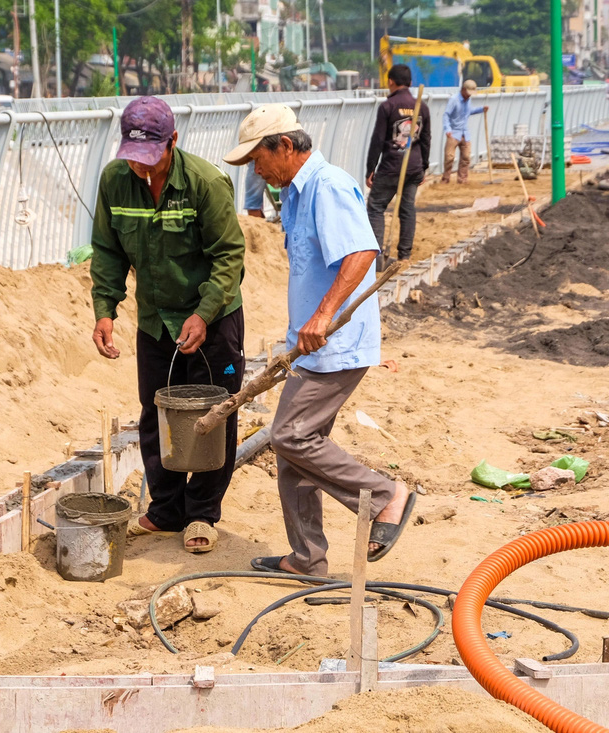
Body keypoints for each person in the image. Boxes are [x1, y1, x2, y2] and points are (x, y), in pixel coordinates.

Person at [223, 104, 416, 577]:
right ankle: (307, 558)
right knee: (294, 451)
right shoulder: (294, 192)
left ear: (285, 146)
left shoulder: (326, 187)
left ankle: (386, 497)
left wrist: (324, 315)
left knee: (289, 435)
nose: (256, 169)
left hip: (336, 343)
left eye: (258, 158)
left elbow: (361, 251)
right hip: (312, 344)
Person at [89, 96, 247, 554]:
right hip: (156, 319)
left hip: (212, 317)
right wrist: (105, 308)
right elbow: (108, 250)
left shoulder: (205, 183)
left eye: (151, 160)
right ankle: (165, 509)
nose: (143, 170)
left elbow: (229, 257)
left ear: (172, 142)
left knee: (214, 414)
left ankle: (201, 513)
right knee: (155, 410)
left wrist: (204, 313)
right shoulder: (115, 182)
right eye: (133, 161)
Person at [365, 64, 431, 265]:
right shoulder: (422, 107)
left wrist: (371, 168)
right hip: (413, 166)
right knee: (407, 208)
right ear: (410, 83)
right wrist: (423, 167)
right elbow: (426, 139)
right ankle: (405, 255)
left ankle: (375, 257)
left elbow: (378, 139)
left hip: (392, 166)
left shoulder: (388, 106)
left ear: (390, 82)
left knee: (376, 206)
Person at [441, 79, 489, 184]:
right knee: (449, 157)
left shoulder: (468, 100)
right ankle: (446, 179)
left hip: (465, 133)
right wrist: (448, 129)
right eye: (468, 93)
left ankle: (462, 179)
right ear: (463, 90)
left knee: (466, 157)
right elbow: (446, 115)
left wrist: (481, 109)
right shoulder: (454, 100)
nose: (469, 96)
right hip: (453, 132)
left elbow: (469, 111)